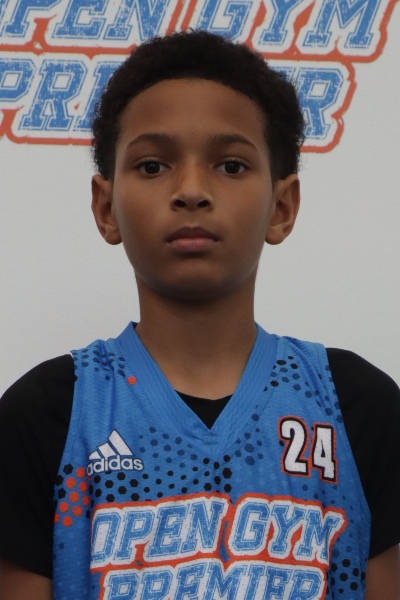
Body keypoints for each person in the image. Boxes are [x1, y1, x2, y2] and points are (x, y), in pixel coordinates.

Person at [0, 30, 399, 600]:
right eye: (153, 165)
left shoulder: (356, 406)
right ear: (105, 208)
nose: (191, 191)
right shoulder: (48, 415)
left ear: (281, 207)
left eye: (231, 165)